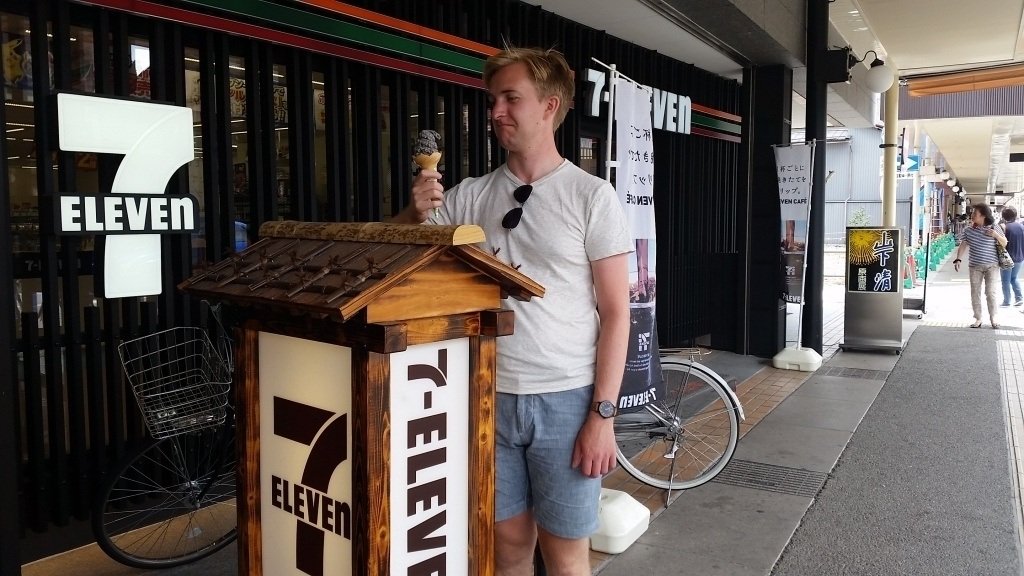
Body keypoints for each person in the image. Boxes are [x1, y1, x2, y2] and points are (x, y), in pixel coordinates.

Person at [393, 47, 632, 575]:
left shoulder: (591, 196)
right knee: (506, 546)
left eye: (510, 98)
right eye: (492, 99)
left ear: (549, 105)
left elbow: (617, 312)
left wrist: (603, 416)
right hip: (486, 392)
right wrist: (415, 210)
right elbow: (401, 253)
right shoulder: (469, 195)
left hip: (567, 399)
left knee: (567, 554)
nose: (495, 111)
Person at [953, 204, 1007, 328]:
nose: (972, 216)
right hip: (974, 266)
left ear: (983, 215)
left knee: (990, 292)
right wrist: (958, 259)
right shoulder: (968, 230)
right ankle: (978, 318)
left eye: (974, 214)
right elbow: (963, 244)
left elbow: (1004, 243)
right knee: (975, 292)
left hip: (992, 266)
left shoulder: (994, 227)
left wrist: (996, 235)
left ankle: (994, 318)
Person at [999, 206, 1024, 307]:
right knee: (1014, 278)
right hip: (1020, 257)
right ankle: (1019, 298)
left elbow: (1001, 243)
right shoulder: (1022, 227)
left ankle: (1007, 301)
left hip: (1007, 258)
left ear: (1004, 216)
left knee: (1005, 280)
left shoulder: (1005, 228)